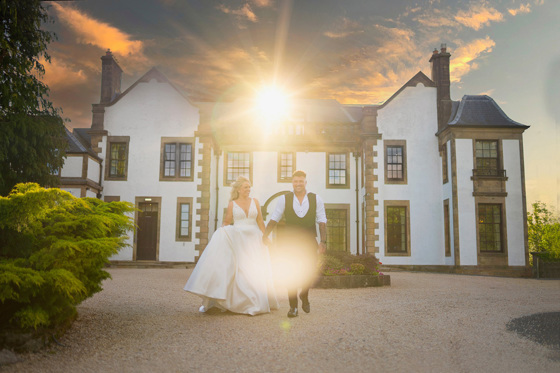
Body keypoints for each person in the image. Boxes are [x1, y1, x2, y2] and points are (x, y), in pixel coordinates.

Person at [184, 176, 278, 315]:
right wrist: (221, 234)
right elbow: (227, 222)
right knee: (242, 270)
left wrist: (265, 236)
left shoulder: (255, 202)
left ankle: (255, 301)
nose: (248, 189)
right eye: (246, 187)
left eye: (249, 187)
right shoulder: (232, 204)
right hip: (238, 239)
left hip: (254, 239)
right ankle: (241, 302)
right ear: (239, 189)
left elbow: (260, 221)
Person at [263, 170, 327, 318]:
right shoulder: (284, 199)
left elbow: (322, 221)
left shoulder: (316, 199)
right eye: (295, 181)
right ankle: (293, 307)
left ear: (305, 182)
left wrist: (323, 241)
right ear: (292, 183)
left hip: (309, 240)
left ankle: (304, 294)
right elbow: (274, 218)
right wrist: (265, 235)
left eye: (301, 181)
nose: (298, 184)